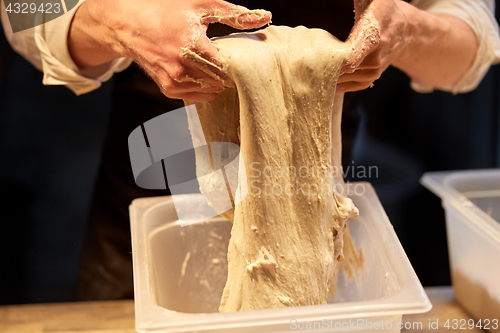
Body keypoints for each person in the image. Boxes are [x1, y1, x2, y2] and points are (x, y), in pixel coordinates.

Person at [1, 0, 499, 300]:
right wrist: (122, 25)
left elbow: (474, 38)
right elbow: (20, 10)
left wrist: (407, 30)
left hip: (313, 235)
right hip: (145, 223)